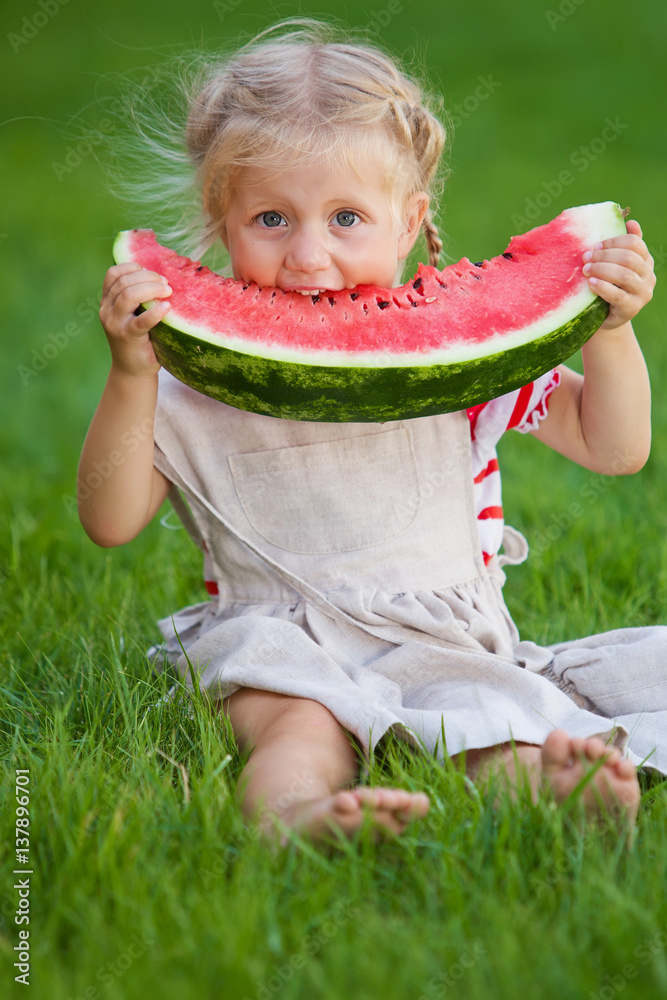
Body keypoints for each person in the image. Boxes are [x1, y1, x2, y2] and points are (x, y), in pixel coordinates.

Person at [79, 21, 662, 848]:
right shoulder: (194, 385)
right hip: (275, 638)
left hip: (438, 640)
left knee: (483, 720)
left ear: (408, 221)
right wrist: (132, 375)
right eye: (272, 218)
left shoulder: (454, 370)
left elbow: (614, 449)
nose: (308, 255)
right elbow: (109, 522)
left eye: (346, 217)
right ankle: (295, 819)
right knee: (297, 726)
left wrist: (607, 330)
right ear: (220, 219)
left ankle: (550, 785)